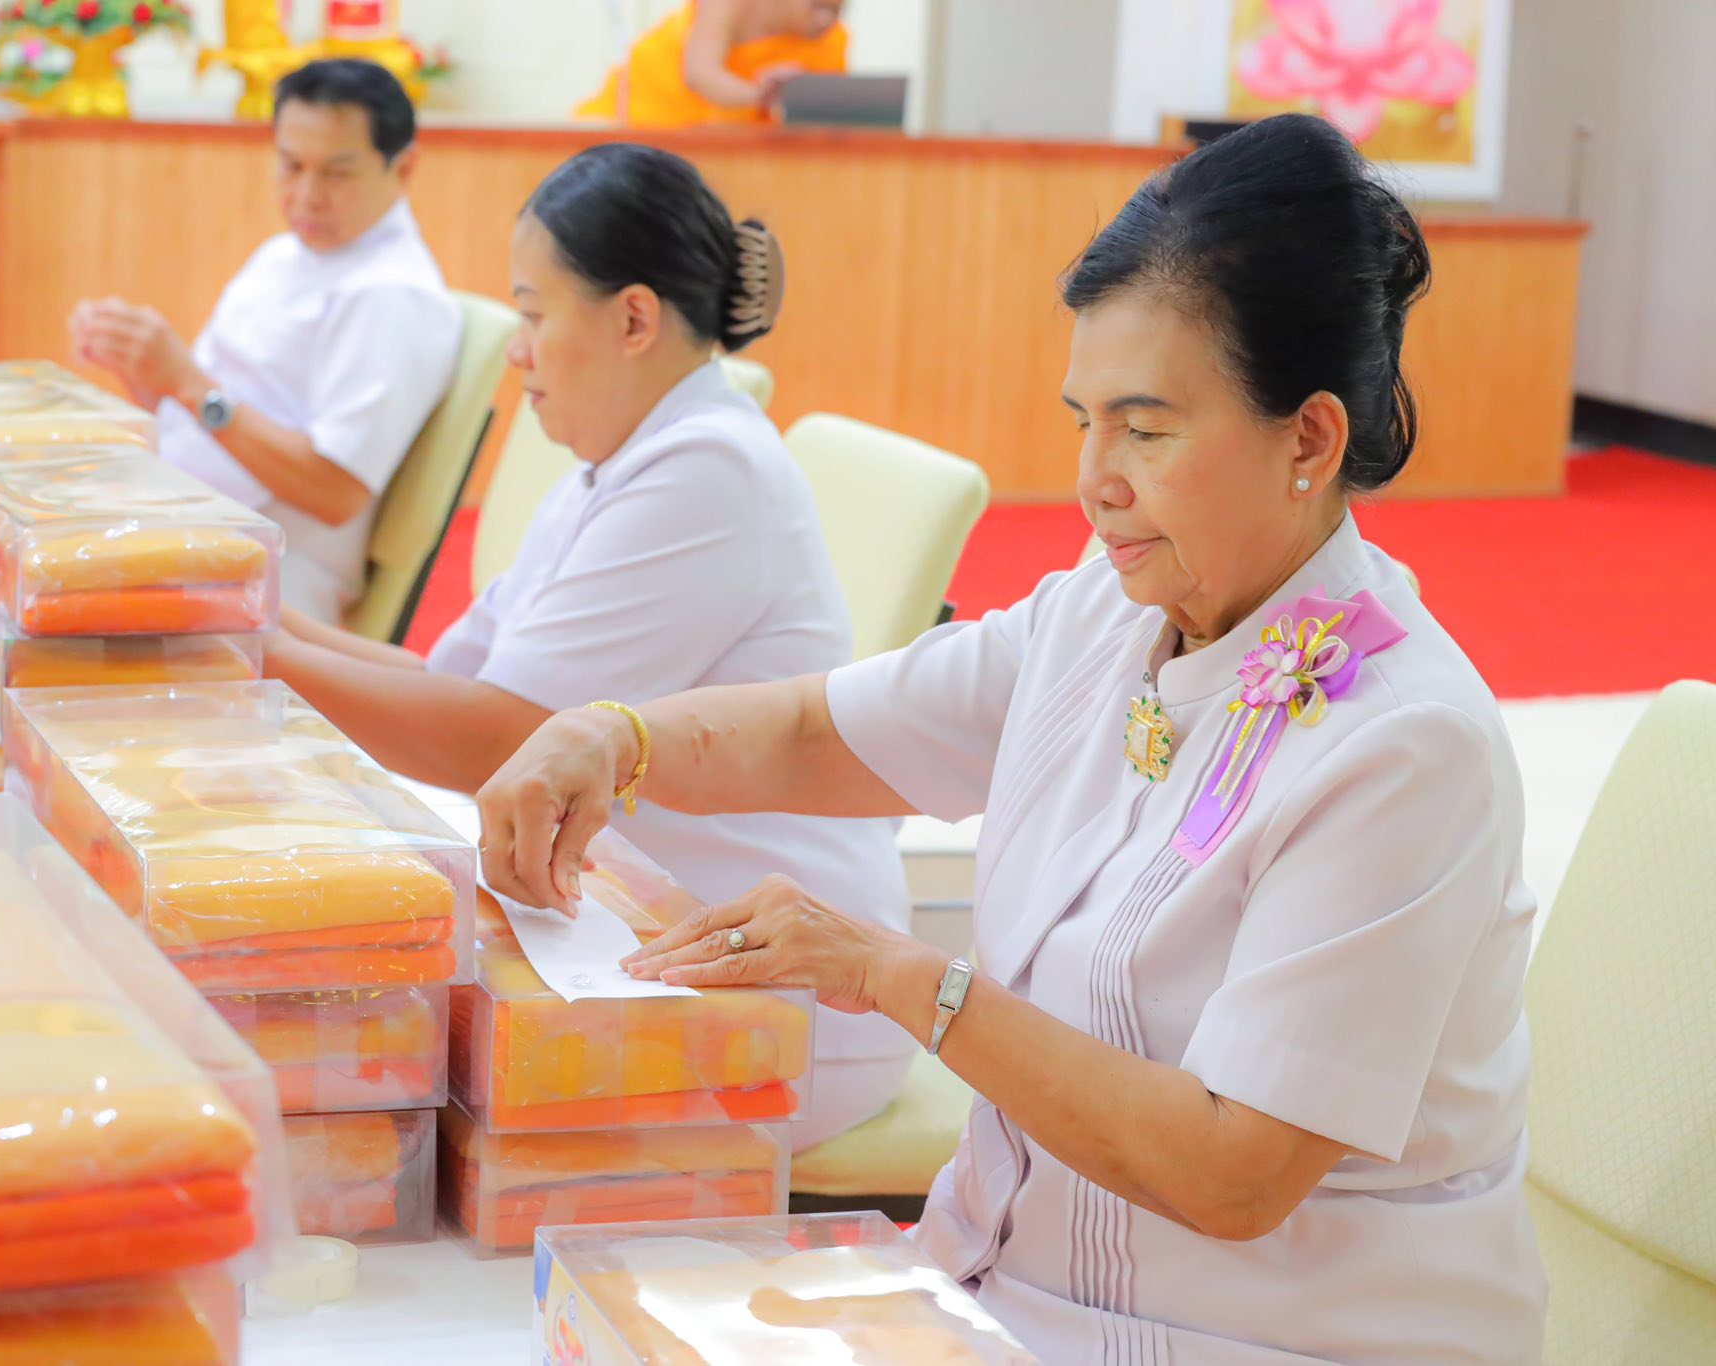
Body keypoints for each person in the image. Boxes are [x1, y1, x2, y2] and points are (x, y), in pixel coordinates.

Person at [477, 114, 1548, 1362]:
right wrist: (611, 735)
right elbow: (824, 729)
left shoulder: (1401, 747)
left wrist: (899, 978)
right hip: (993, 1284)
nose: (1094, 477)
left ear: (1307, 438)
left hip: (1253, 1336)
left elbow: (1230, 1173)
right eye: (1082, 419)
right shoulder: (1104, 610)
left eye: (1145, 431)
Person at [266, 142, 915, 1146]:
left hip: (777, 994)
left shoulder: (707, 470)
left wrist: (253, 647)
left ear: (631, 318)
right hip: (642, 932)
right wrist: (255, 606)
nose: (516, 352)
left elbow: (497, 740)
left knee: (352, 1077)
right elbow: (444, 685)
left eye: (531, 314)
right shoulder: (616, 466)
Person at [71, 59, 461, 621]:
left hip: (270, 567)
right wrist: (140, 365)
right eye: (291, 165)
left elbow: (335, 490)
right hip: (192, 519)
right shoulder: (282, 256)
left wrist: (185, 381)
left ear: (403, 170)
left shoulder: (393, 295)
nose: (306, 194)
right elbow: (203, 415)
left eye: (337, 172)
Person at [575, 0, 847, 129]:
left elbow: (825, 120)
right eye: (817, 8)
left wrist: (798, 92)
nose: (826, 22)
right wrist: (761, 95)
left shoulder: (831, 39)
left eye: (836, 11)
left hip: (740, 147)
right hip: (647, 116)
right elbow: (700, 74)